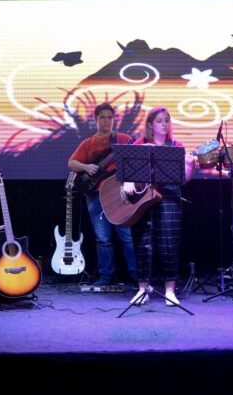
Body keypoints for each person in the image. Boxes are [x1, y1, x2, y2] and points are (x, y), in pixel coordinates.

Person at [123, 106, 196, 307]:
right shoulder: (139, 144)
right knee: (142, 243)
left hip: (169, 198)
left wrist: (190, 165)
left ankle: (170, 291)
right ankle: (142, 290)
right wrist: (128, 182)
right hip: (143, 200)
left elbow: (184, 179)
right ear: (150, 124)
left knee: (169, 244)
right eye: (159, 121)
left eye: (167, 120)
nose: (164, 124)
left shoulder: (176, 146)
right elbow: (127, 170)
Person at [68, 103, 137, 286]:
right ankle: (106, 277)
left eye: (109, 117)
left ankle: (136, 276)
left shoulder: (124, 139)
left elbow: (137, 158)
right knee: (103, 239)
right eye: (102, 117)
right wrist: (86, 167)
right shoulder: (88, 143)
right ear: (96, 119)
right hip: (96, 196)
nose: (106, 121)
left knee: (126, 237)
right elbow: (71, 163)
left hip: (119, 195)